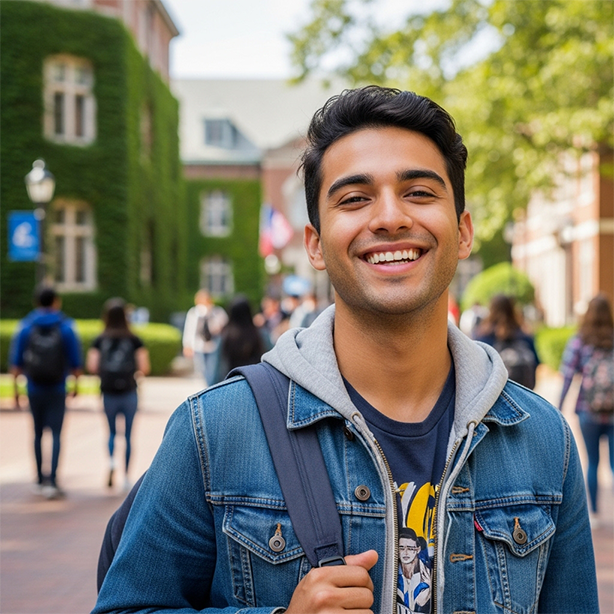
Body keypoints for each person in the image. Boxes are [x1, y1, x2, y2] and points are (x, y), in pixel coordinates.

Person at [93, 86, 597, 614]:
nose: (389, 217)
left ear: (464, 232)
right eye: (354, 199)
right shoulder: (214, 432)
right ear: (314, 243)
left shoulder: (543, 442)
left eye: (420, 193)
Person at [10, 286, 82, 499]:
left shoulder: (25, 326)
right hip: (58, 388)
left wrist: (16, 390)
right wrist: (76, 385)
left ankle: (39, 479)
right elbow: (75, 362)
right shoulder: (66, 327)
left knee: (37, 433)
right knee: (57, 433)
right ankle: (54, 480)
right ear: (56, 301)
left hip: (33, 387)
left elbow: (16, 363)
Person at [559, 293, 614, 527]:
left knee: (592, 462)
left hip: (586, 410)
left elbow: (568, 376)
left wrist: (559, 407)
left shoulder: (580, 340)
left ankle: (593, 514)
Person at [86, 298, 150, 491]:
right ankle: (127, 477)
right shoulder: (134, 339)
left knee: (112, 432)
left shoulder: (100, 339)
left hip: (108, 392)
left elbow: (92, 366)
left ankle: (112, 461)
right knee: (129, 435)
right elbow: (145, 367)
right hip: (129, 390)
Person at [475, 294, 540, 389]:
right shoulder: (525, 336)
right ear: (513, 310)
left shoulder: (483, 337)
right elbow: (536, 362)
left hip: (493, 393)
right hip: (522, 390)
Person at [210, 295, 271, 385]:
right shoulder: (259, 334)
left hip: (230, 383)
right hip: (257, 383)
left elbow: (216, 365)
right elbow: (271, 355)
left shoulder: (225, 336)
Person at [182, 290, 228, 386]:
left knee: (213, 369)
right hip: (199, 345)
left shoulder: (217, 312)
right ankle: (207, 386)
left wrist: (210, 315)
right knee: (202, 369)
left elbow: (223, 327)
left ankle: (211, 386)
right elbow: (189, 329)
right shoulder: (194, 313)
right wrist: (187, 345)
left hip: (213, 345)